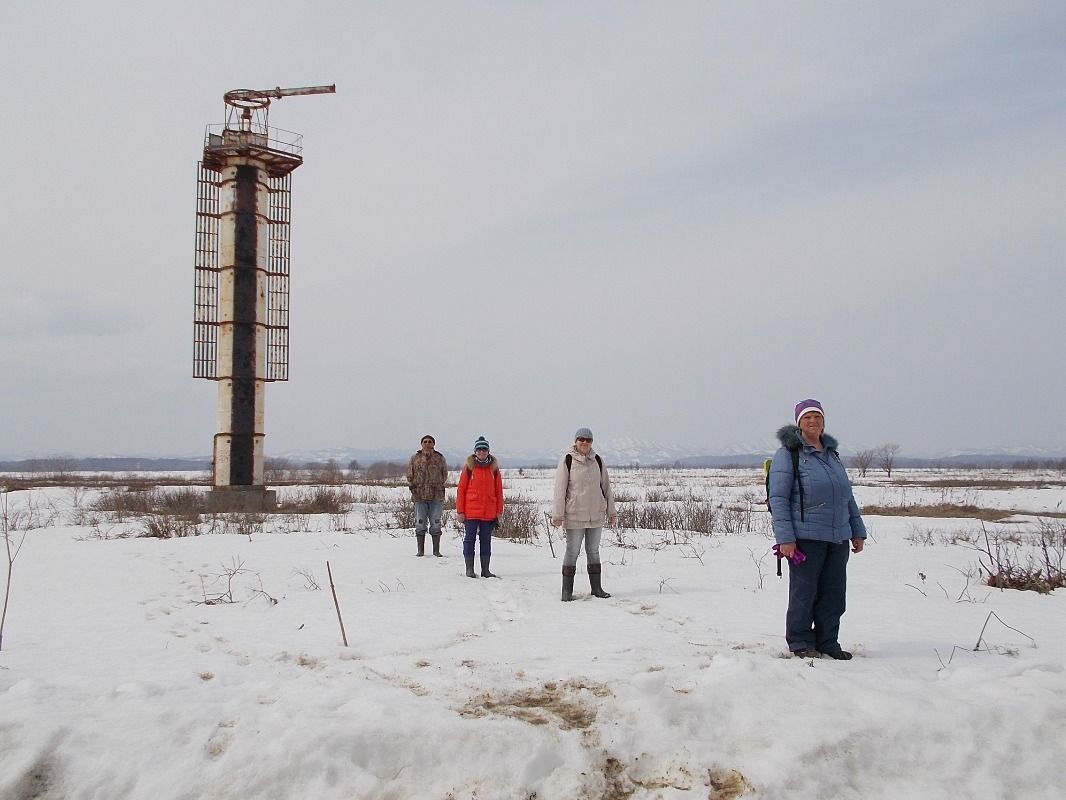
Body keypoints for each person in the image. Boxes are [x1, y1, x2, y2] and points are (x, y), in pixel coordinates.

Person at [767, 399, 867, 659]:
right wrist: (785, 538)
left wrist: (857, 530)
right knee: (804, 593)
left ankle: (828, 642)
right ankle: (800, 642)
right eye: (807, 417)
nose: (813, 422)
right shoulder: (788, 455)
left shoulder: (832, 455)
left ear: (824, 422)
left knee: (834, 594)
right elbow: (778, 498)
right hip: (805, 538)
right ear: (799, 423)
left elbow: (847, 496)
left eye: (818, 417)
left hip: (837, 538)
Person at [551, 427, 617, 601]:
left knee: (593, 551)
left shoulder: (598, 461)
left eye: (588, 440)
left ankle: (597, 588)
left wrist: (611, 511)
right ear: (575, 441)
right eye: (581, 439)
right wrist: (558, 515)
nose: (585, 442)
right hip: (574, 515)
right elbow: (560, 489)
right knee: (572, 551)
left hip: (596, 514)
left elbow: (606, 488)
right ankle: (566, 592)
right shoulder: (567, 460)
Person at [456, 436, 504, 578]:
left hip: (488, 512)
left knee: (486, 540)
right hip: (471, 511)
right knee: (469, 539)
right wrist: (460, 511)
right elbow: (461, 489)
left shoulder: (494, 469)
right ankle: (469, 569)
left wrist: (499, 511)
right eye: (479, 449)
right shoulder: (469, 468)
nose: (482, 452)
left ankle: (485, 570)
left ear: (488, 451)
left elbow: (499, 491)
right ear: (475, 451)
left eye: (484, 449)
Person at [405, 434, 448, 557]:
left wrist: (436, 483)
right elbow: (409, 474)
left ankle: (436, 551)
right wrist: (415, 486)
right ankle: (420, 551)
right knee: (420, 522)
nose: (427, 444)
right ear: (421, 444)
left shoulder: (440, 458)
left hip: (436, 495)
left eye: (430, 442)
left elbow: (444, 474)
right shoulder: (415, 458)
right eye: (425, 441)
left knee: (436, 522)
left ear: (434, 444)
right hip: (419, 496)